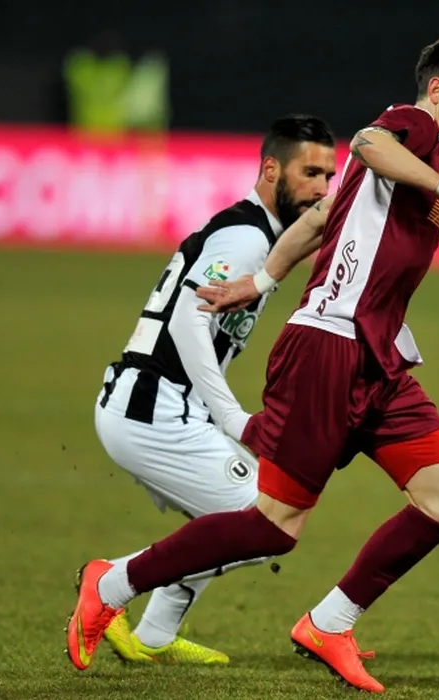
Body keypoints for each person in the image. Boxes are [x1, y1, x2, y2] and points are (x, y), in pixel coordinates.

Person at [65, 36, 439, 693]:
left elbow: (319, 219)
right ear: (438, 91)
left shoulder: (414, 163)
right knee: (274, 525)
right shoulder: (411, 128)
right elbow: (367, 142)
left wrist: (261, 281)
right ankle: (113, 583)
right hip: (329, 349)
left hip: (379, 358)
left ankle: (329, 624)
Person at [84, 115, 336, 667]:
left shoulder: (261, 234)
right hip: (153, 409)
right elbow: (186, 320)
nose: (322, 188)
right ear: (271, 170)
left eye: (329, 176)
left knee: (231, 525)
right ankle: (111, 582)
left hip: (158, 405)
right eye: (310, 173)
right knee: (265, 519)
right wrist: (228, 415)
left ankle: (154, 634)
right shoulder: (246, 238)